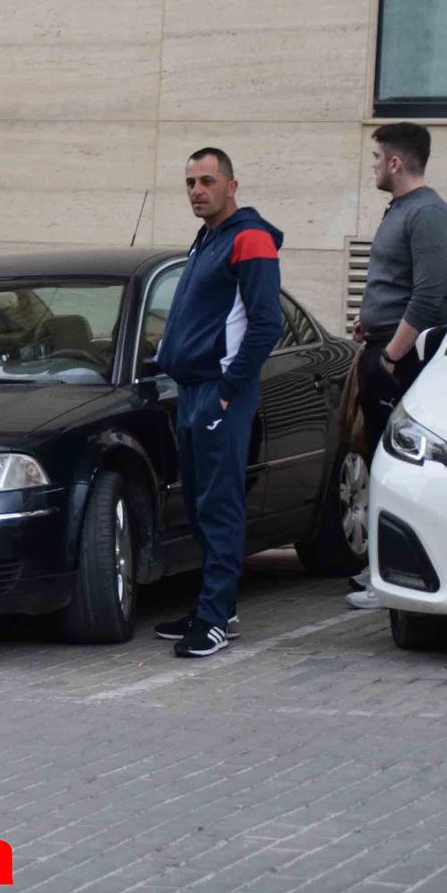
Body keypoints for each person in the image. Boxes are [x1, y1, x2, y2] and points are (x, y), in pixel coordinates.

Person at [151, 148, 284, 659]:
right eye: (189, 182)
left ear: (232, 184)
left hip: (219, 391)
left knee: (219, 504)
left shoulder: (249, 238)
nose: (196, 191)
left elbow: (266, 323)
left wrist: (229, 389)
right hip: (191, 391)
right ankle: (216, 608)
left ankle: (213, 618)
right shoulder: (206, 239)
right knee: (199, 505)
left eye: (207, 180)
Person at [347, 122, 447, 605]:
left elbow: (430, 298)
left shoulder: (429, 213)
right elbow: (394, 285)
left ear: (395, 162)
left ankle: (391, 579)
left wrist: (391, 356)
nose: (373, 166)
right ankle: (379, 569)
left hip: (401, 360)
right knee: (377, 463)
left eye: (376, 158)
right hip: (381, 349)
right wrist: (365, 321)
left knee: (397, 469)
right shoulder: (399, 210)